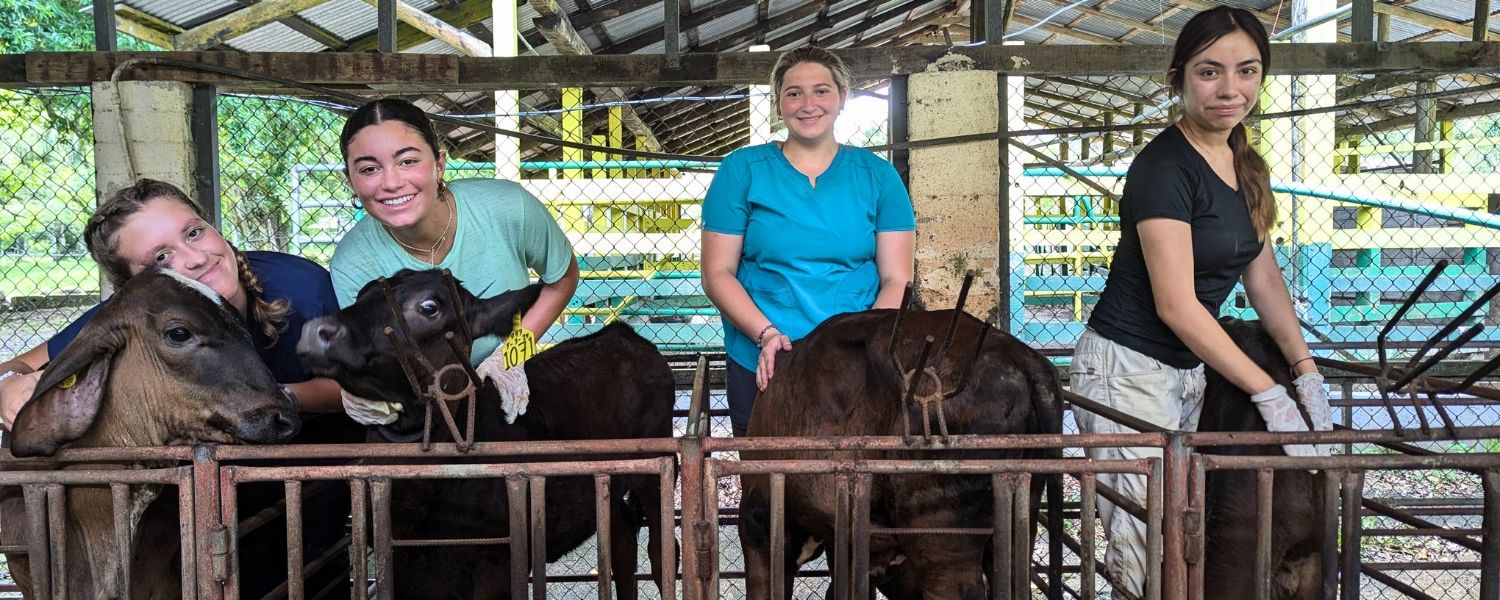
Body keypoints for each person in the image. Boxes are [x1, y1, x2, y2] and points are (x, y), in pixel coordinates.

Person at [1068, 7, 1334, 596]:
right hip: (1126, 369)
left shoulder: (1243, 163)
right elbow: (1177, 305)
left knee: (1187, 542)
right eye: (1210, 72)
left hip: (1187, 371)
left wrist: (1304, 368)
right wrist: (1268, 393)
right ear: (1179, 78)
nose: (1230, 89)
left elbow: (1261, 275)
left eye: (1247, 71)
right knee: (1146, 554)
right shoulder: (1164, 168)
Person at [0, 178, 359, 597]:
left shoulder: (300, 288)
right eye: (161, 259)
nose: (193, 258)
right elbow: (24, 363)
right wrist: (10, 384)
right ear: (137, 288)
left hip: (308, 459)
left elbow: (355, 389)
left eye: (193, 232)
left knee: (308, 571)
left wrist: (269, 399)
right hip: (216, 485)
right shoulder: (143, 311)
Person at [701, 47, 916, 437]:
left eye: (821, 91)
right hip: (764, 357)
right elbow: (717, 272)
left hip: (855, 356)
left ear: (842, 98)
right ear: (779, 102)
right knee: (768, 482)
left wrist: (864, 345)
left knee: (858, 479)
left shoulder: (879, 177)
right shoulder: (741, 170)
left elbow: (897, 279)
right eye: (794, 92)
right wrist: (766, 336)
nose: (807, 104)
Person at [331, 98, 580, 425]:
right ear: (350, 181)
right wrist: (363, 392)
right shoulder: (351, 262)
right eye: (368, 169)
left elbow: (562, 278)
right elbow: (375, 356)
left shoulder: (508, 206)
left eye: (407, 161)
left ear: (439, 164)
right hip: (426, 402)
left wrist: (511, 355)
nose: (391, 182)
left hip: (510, 384)